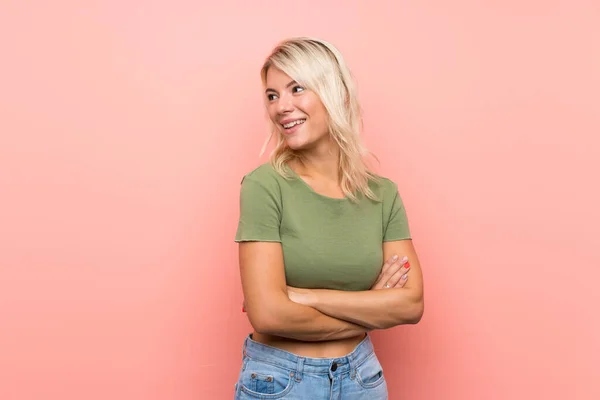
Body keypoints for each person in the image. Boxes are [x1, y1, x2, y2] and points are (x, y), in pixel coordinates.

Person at [233, 37, 424, 400]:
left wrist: (303, 296)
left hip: (363, 378)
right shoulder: (264, 186)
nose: (281, 107)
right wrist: (372, 305)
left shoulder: (382, 194)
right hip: (281, 383)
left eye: (296, 89)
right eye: (272, 95)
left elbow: (411, 305)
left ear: (335, 92)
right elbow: (269, 315)